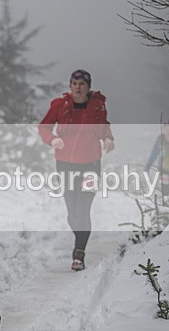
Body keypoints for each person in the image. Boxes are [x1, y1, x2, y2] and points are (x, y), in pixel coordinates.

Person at [38, 69, 114, 272]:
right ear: (70, 86)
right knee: (72, 213)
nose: (78, 87)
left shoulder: (98, 105)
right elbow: (44, 127)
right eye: (74, 83)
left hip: (91, 164)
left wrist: (108, 138)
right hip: (65, 164)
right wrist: (53, 139)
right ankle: (79, 237)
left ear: (88, 87)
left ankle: (79, 253)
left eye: (82, 84)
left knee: (83, 208)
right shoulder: (59, 105)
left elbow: (103, 125)